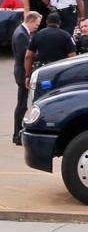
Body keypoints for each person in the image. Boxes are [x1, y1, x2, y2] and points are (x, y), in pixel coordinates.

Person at [25, 13, 75, 87]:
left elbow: (28, 56)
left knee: (44, 92)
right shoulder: (65, 35)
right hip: (61, 72)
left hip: (44, 71)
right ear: (60, 22)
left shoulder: (38, 35)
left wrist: (28, 75)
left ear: (46, 22)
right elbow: (72, 57)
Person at [10, 11, 38, 144]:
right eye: (36, 24)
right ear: (31, 21)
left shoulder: (21, 31)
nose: (36, 27)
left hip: (20, 71)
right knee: (22, 105)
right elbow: (24, 56)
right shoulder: (21, 34)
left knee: (23, 103)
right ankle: (17, 134)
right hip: (22, 73)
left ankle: (18, 133)